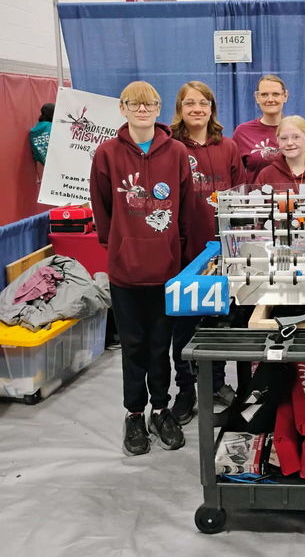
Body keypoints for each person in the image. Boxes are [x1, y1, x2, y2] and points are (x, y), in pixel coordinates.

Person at [90, 81, 203, 456]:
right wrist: (120, 244)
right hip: (125, 271)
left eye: (149, 104)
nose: (141, 110)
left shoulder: (177, 152)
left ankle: (161, 408)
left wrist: (179, 253)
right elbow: (102, 209)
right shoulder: (105, 154)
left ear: (158, 109)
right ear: (122, 108)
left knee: (160, 347)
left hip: (166, 269)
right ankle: (134, 413)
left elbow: (185, 207)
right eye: (133, 104)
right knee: (133, 346)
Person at [170, 81, 245, 424]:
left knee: (219, 324)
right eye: (190, 103)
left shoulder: (227, 147)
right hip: (184, 252)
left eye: (203, 103)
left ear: (212, 108)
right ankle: (185, 389)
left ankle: (215, 385)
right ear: (180, 108)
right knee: (184, 326)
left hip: (223, 252)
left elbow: (241, 200)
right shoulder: (169, 147)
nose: (197, 109)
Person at [254, 115, 305, 192]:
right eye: (284, 138)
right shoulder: (266, 175)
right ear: (278, 141)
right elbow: (256, 206)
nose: (289, 143)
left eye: (296, 137)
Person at [233, 74, 288, 182]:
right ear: (257, 97)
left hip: (291, 198)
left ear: (285, 96)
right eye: (264, 95)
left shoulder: (297, 130)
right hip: (256, 197)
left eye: (276, 94)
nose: (270, 99)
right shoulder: (243, 132)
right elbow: (234, 175)